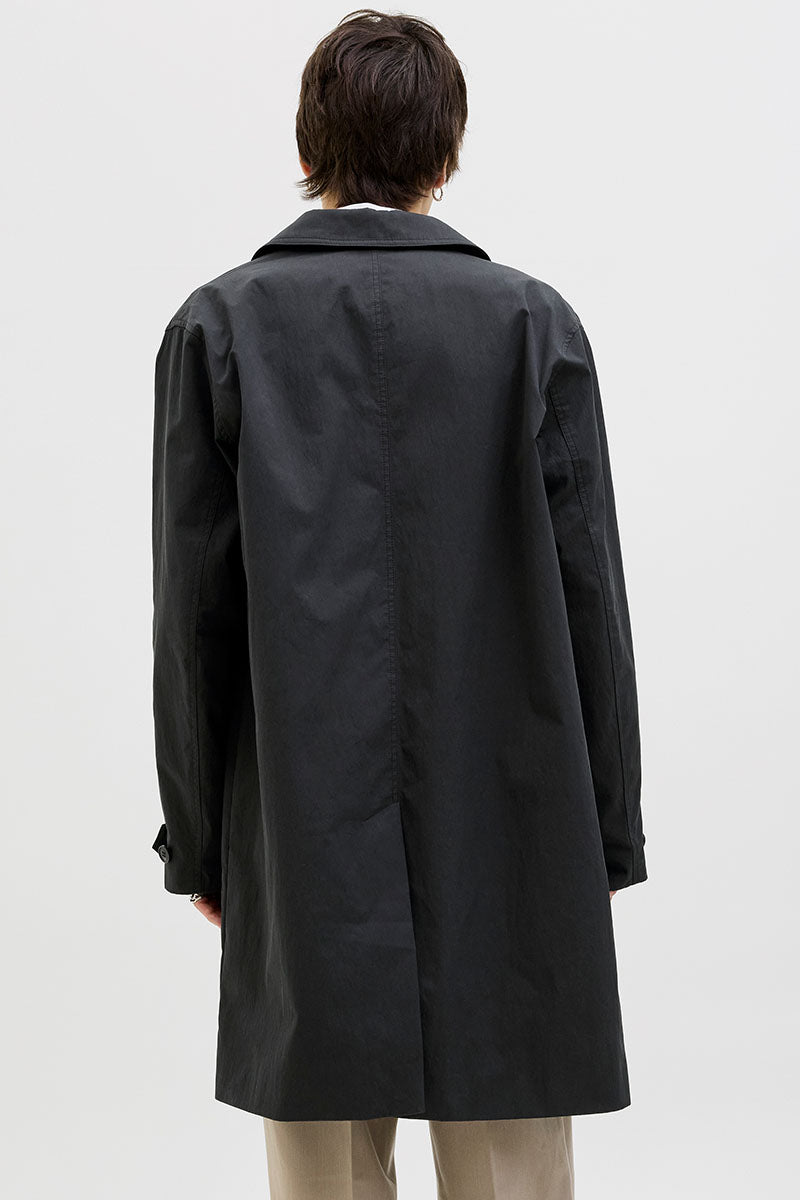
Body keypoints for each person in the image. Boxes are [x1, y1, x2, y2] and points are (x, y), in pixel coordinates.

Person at [150, 9, 647, 1198]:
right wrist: (605, 830)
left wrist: (201, 841)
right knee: (511, 1156)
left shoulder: (220, 326)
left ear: (306, 145)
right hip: (514, 819)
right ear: (447, 151)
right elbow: (592, 600)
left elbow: (190, 619)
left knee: (321, 1153)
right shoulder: (530, 323)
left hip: (298, 824)